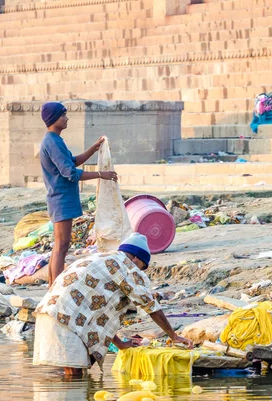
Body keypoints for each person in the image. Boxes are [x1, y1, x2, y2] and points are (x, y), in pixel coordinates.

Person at [33, 232, 194, 376]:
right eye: (141, 268)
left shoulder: (101, 258)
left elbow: (99, 318)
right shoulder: (126, 267)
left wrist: (120, 344)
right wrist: (173, 335)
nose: (140, 272)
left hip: (51, 314)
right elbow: (150, 306)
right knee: (74, 377)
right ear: (135, 258)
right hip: (65, 320)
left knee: (74, 373)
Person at [40, 101, 118, 285]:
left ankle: (53, 286)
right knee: (62, 245)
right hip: (61, 199)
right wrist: (101, 175)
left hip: (62, 198)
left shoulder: (55, 140)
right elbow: (70, 173)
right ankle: (56, 289)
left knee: (59, 246)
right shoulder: (51, 142)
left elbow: (72, 161)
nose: (66, 119)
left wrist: (94, 148)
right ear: (53, 119)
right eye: (63, 115)